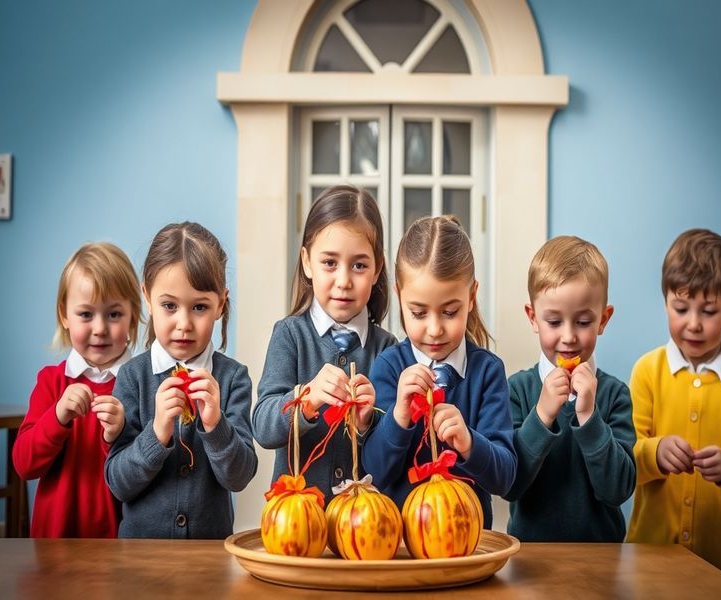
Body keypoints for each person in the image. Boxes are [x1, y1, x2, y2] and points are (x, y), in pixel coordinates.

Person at [626, 228, 721, 581]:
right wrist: (655, 452)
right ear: (665, 301)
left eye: (708, 311)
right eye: (681, 308)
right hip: (651, 559)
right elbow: (625, 456)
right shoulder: (647, 371)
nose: (693, 324)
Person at [362, 216, 516, 528]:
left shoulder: (487, 372)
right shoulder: (389, 367)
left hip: (468, 542)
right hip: (401, 544)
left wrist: (470, 443)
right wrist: (399, 416)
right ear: (399, 296)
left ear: (471, 297)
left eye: (450, 312)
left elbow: (506, 478)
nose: (434, 329)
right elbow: (374, 473)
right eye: (418, 313)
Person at [105, 222, 257, 538]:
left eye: (199, 307)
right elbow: (119, 484)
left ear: (220, 304)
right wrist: (158, 431)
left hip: (209, 559)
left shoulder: (233, 379)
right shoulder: (132, 377)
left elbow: (239, 477)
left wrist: (216, 426)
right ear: (147, 297)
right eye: (170, 306)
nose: (184, 324)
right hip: (140, 560)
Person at [252, 185, 396, 502]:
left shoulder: (387, 348)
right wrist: (306, 398)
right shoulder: (289, 335)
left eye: (359, 265)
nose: (344, 280)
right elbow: (262, 427)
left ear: (377, 269)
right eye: (330, 262)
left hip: (364, 526)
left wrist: (367, 422)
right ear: (307, 262)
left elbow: (393, 448)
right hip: (297, 524)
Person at [504, 235, 635, 542]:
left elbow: (618, 490)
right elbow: (510, 485)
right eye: (553, 321)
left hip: (600, 562)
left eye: (583, 322)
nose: (568, 337)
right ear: (533, 318)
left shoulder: (615, 395)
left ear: (603, 320)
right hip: (531, 560)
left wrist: (589, 417)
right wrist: (541, 415)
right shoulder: (518, 390)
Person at [13, 242, 141, 537]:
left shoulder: (140, 384)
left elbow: (147, 470)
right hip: (55, 543)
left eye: (113, 314)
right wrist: (56, 417)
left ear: (133, 316)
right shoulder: (51, 382)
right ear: (64, 315)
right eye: (86, 314)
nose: (99, 328)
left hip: (120, 542)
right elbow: (24, 465)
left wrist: (119, 434)